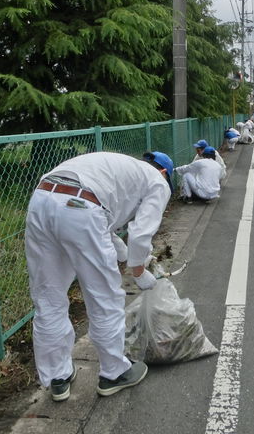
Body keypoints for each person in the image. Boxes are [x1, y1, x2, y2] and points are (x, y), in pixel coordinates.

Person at [24, 151, 173, 401]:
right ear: (165, 173)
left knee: (48, 296)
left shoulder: (116, 169)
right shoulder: (157, 182)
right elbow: (140, 232)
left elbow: (105, 225)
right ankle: (114, 373)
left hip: (42, 199)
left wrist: (126, 256)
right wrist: (138, 271)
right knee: (104, 296)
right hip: (81, 206)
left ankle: (57, 377)